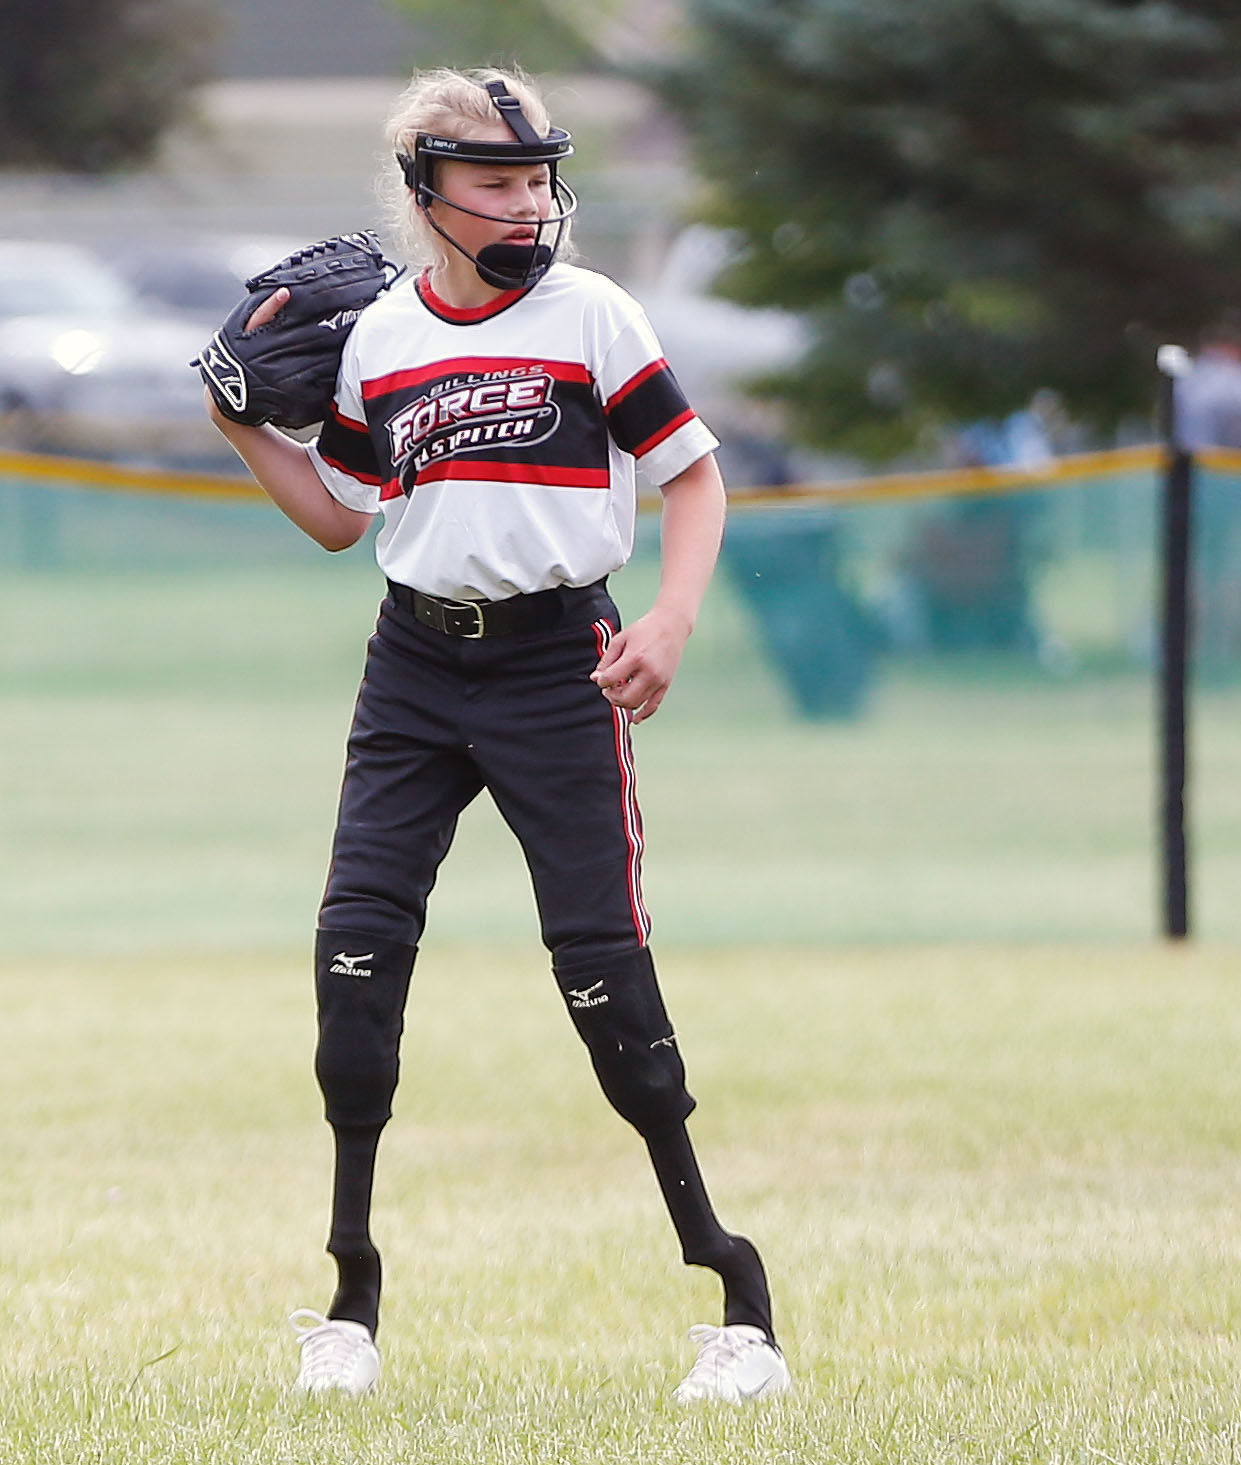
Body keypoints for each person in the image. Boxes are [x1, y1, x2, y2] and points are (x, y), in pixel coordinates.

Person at [204, 66, 791, 1405]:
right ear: (427, 193)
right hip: (414, 667)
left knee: (604, 982)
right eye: (495, 181)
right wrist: (236, 423)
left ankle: (736, 1299)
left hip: (556, 666)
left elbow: (693, 476)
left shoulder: (592, 314)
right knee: (354, 969)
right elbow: (343, 514)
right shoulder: (381, 338)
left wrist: (670, 620)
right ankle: (350, 1297)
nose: (527, 203)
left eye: (537, 179)